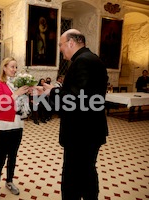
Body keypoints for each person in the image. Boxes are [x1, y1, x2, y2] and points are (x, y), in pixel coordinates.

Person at [49, 29, 108, 200]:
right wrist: (54, 91)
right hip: (89, 130)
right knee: (87, 172)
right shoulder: (92, 59)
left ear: (71, 43)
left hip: (81, 132)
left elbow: (77, 100)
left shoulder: (82, 61)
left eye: (61, 45)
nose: (60, 49)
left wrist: (52, 92)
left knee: (73, 177)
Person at [0, 57, 30, 200]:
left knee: (12, 157)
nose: (14, 70)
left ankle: (9, 181)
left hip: (17, 124)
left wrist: (27, 93)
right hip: (3, 126)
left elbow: (22, 102)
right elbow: (1, 104)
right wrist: (17, 94)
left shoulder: (18, 84)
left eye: (15, 67)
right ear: (4, 68)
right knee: (1, 158)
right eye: (12, 67)